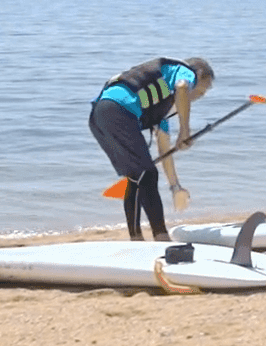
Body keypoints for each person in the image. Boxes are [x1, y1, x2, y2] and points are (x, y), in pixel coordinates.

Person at [89, 57, 214, 240]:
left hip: (99, 117)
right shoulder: (186, 71)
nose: (199, 95)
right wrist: (185, 131)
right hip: (119, 111)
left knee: (137, 177)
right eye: (202, 90)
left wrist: (175, 187)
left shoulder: (160, 108)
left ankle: (137, 237)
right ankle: (160, 236)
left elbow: (165, 151)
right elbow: (181, 87)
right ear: (199, 75)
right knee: (146, 174)